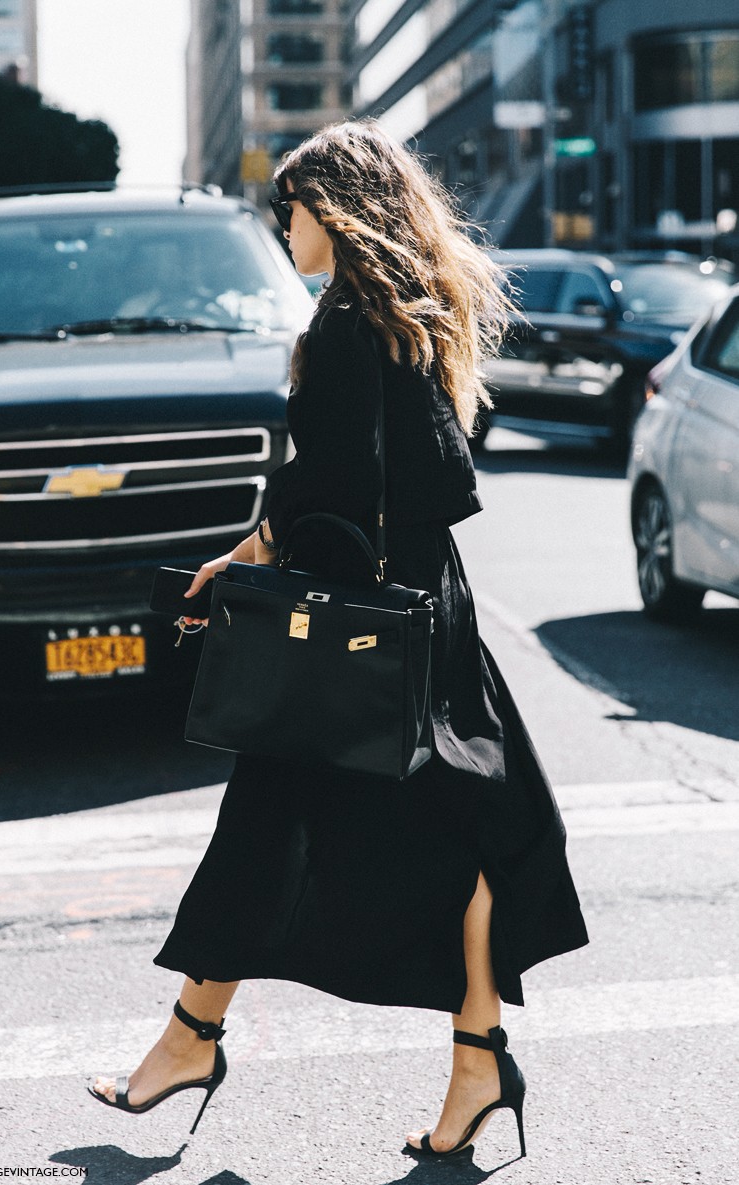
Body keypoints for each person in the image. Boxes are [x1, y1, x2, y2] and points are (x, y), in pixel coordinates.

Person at [89, 120, 588, 1158]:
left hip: (363, 628)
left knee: (310, 826)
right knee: (471, 830)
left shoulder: (353, 327)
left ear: (338, 214)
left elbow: (390, 487)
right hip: (403, 613)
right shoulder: (386, 319)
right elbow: (384, 484)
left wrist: (270, 547)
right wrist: (256, 547)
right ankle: (465, 1061)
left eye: (295, 205)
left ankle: (204, 1041)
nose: (284, 222)